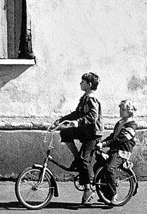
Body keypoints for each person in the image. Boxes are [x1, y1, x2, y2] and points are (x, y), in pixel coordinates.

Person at [53, 72, 102, 204]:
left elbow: (93, 117)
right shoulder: (84, 98)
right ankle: (77, 158)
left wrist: (77, 122)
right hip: (85, 131)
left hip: (93, 134)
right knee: (65, 133)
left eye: (83, 81)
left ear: (89, 84)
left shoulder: (92, 99)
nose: (80, 83)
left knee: (85, 159)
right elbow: (76, 113)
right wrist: (62, 120)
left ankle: (88, 188)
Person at [98, 99, 138, 207]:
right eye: (120, 109)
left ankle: (113, 194)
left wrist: (105, 144)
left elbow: (120, 139)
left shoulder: (131, 126)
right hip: (115, 150)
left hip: (122, 152)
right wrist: (102, 142)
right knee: (98, 163)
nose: (120, 111)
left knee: (109, 168)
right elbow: (113, 136)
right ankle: (105, 192)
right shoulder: (120, 123)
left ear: (130, 111)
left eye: (123, 109)